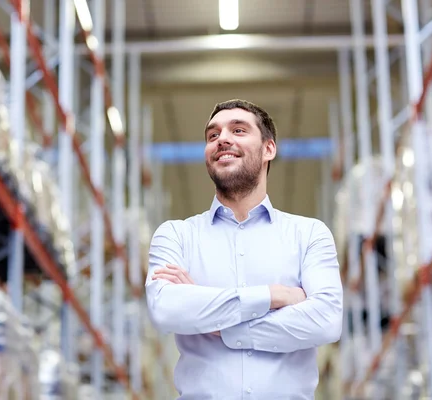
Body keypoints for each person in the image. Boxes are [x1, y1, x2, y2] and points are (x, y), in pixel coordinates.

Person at [145, 99, 343, 400]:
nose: (222, 139)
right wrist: (274, 296)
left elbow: (326, 321)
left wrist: (219, 326)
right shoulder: (175, 235)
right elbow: (166, 309)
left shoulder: (309, 234)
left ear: (268, 149)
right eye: (213, 136)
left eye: (238, 130)